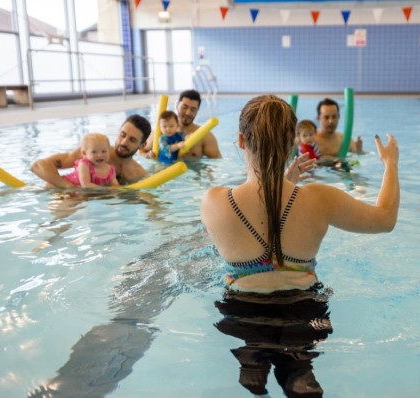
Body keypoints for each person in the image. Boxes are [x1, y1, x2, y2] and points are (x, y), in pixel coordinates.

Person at [200, 95, 399, 396]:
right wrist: (391, 164)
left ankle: (252, 358)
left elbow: (265, 202)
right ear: (291, 142)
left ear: (241, 141)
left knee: (251, 345)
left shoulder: (214, 201)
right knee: (300, 365)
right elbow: (385, 219)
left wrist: (284, 181)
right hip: (305, 312)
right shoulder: (319, 198)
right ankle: (299, 373)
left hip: (241, 310)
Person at [31, 114, 152, 187]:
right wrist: (68, 187)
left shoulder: (138, 174)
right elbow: (37, 166)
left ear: (142, 145)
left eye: (132, 140)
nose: (124, 142)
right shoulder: (94, 152)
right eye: (122, 135)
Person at [143, 90, 221, 159]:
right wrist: (147, 155)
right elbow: (141, 150)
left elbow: (217, 161)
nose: (188, 113)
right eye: (184, 107)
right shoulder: (161, 131)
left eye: (193, 109)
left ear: (198, 110)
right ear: (177, 105)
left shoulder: (204, 136)